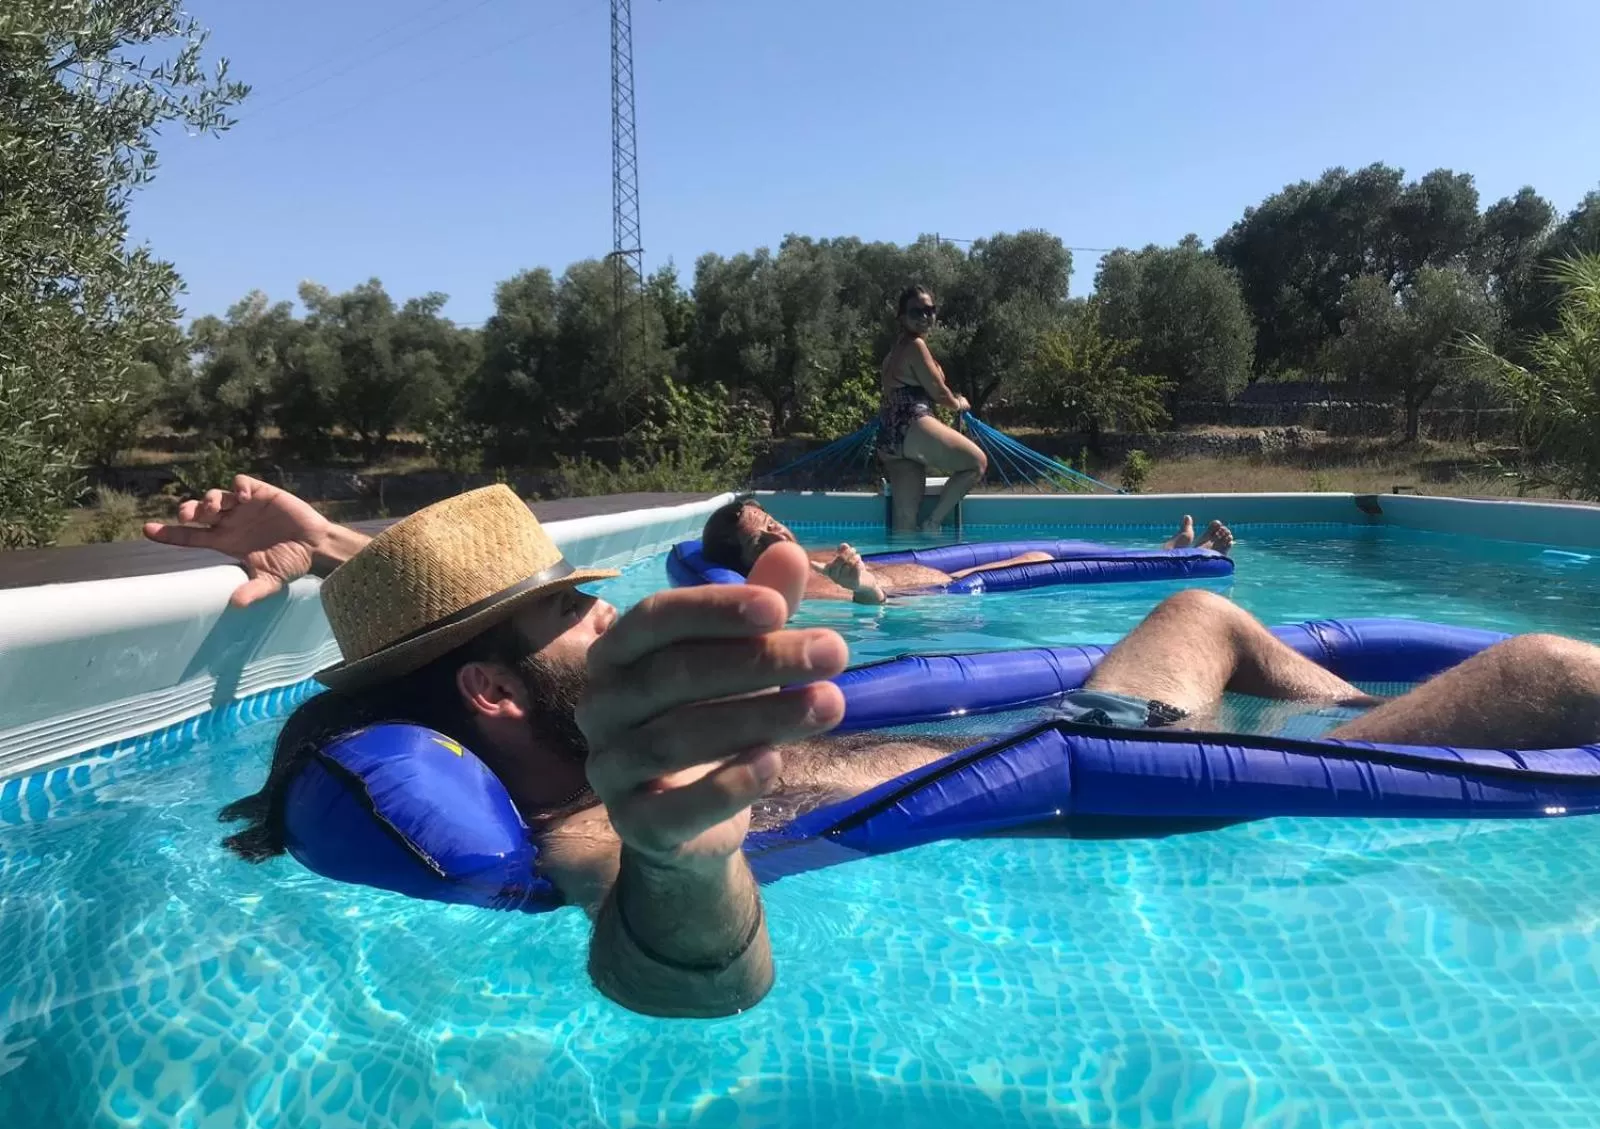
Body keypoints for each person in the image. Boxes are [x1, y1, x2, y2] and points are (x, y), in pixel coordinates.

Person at [146, 477, 1600, 1019]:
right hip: (1148, 794)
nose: (610, 631)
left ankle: (1355, 712)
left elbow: (479, 647)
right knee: (1541, 664)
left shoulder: (515, 704)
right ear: (505, 700)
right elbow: (663, 930)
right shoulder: (589, 821)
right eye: (575, 626)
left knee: (1204, 603)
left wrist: (335, 546)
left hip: (1077, 726)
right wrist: (675, 846)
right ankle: (1389, 723)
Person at [697, 496, 1235, 604]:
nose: (778, 536)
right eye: (761, 538)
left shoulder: (796, 556)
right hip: (942, 593)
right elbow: (869, 605)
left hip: (928, 572)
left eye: (773, 522)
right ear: (743, 562)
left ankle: (1161, 549)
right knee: (1039, 561)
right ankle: (1175, 558)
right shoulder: (784, 587)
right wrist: (860, 582)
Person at [879, 285, 991, 533]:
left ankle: (900, 566)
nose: (925, 316)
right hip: (913, 423)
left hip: (889, 436)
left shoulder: (893, 352)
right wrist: (958, 403)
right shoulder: (916, 346)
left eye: (930, 310)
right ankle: (933, 523)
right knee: (976, 463)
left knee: (905, 518)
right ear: (902, 317)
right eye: (916, 312)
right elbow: (939, 392)